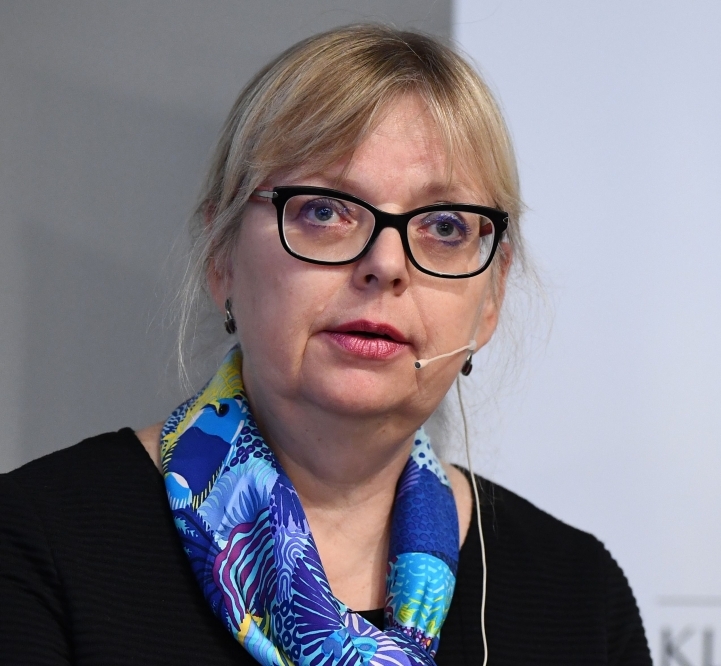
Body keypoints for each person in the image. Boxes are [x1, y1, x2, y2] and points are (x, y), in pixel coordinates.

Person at [0, 25, 651, 666]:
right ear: (222, 256)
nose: (386, 263)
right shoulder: (36, 544)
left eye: (445, 225)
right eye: (324, 210)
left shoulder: (578, 596)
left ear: (490, 301)